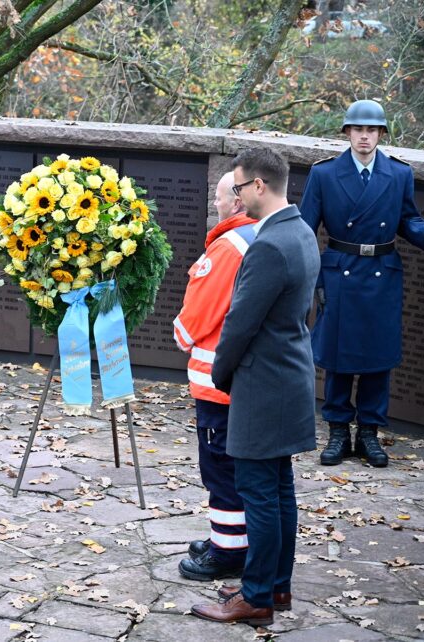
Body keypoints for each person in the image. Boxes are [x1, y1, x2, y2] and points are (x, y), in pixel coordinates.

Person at [191, 148, 320, 626]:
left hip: (262, 385)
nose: (238, 196)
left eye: (240, 187)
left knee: (259, 493)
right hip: (288, 378)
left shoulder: (268, 244)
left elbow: (239, 324)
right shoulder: (301, 231)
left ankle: (257, 596)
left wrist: (219, 375)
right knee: (279, 490)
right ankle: (275, 586)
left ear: (260, 186)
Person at [299, 99, 424, 468]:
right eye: (358, 129)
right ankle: (337, 431)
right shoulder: (325, 174)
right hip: (339, 270)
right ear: (347, 132)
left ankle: (369, 434)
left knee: (379, 358)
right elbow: (304, 231)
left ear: (381, 134)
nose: (365, 136)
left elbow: (407, 220)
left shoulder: (398, 174)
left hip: (383, 270)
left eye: (372, 130)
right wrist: (314, 281)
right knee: (338, 355)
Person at [172, 172, 256, 581]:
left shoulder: (229, 246)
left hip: (217, 383)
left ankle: (227, 552)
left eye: (220, 198)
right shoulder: (262, 235)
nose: (216, 205)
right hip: (246, 381)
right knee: (237, 467)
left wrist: (180, 335)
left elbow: (198, 313)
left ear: (237, 202)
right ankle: (231, 538)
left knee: (220, 469)